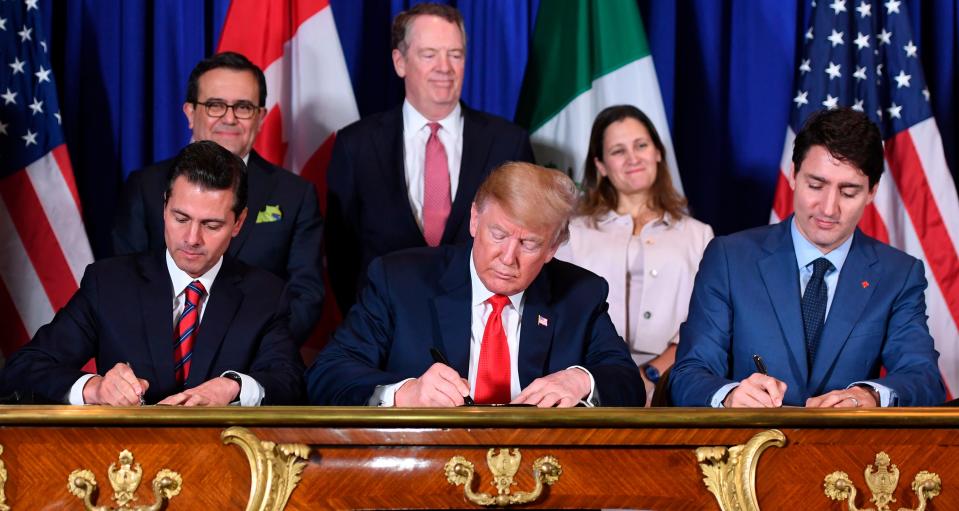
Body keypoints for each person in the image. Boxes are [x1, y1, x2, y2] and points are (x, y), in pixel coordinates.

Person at [307, 162, 644, 407]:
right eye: (498, 235)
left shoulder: (580, 294)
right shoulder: (399, 281)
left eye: (529, 244)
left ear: (553, 248)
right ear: (474, 220)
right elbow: (327, 375)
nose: (508, 257)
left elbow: (627, 382)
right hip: (422, 476)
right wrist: (404, 393)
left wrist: (579, 380)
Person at [670, 108, 944, 408]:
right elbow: (689, 374)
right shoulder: (729, 258)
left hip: (847, 453)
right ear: (793, 176)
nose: (828, 208)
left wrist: (869, 395)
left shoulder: (898, 274)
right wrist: (731, 396)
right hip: (748, 448)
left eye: (848, 192)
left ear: (872, 192)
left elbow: (923, 378)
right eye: (816, 185)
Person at [1, 141, 304, 406]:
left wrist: (234, 387)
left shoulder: (265, 295)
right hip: (124, 463)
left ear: (239, 223)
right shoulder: (108, 284)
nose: (192, 238)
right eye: (180, 218)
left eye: (211, 225)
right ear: (164, 208)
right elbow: (23, 369)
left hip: (222, 463)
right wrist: (95, 388)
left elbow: (289, 383)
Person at [326, 2, 534, 314]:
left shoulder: (508, 142)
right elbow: (341, 255)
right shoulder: (355, 144)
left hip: (481, 330)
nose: (444, 67)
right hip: (384, 331)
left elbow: (527, 239)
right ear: (400, 62)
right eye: (429, 54)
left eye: (455, 54)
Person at [111, 51, 323, 344]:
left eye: (244, 107)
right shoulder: (145, 186)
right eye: (215, 105)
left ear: (260, 117)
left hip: (255, 366)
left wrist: (249, 352)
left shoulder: (295, 195)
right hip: (157, 362)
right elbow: (123, 283)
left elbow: (305, 296)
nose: (229, 118)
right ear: (189, 112)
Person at [555, 105, 713, 405]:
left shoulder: (699, 235)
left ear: (657, 152)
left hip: (675, 384)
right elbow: (562, 319)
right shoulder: (573, 233)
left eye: (641, 145)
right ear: (600, 165)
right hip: (591, 389)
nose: (633, 158)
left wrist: (652, 373)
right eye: (618, 151)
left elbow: (707, 324)